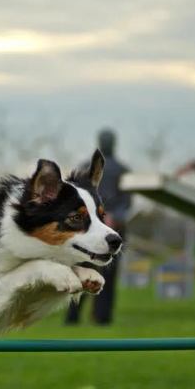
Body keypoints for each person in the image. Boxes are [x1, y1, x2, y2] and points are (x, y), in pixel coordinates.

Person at [66, 128, 131, 325]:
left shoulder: (118, 170)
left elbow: (125, 200)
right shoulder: (117, 169)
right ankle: (83, 317)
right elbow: (126, 201)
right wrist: (108, 218)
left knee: (96, 272)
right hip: (97, 229)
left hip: (101, 228)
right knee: (86, 272)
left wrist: (108, 217)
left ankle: (95, 317)